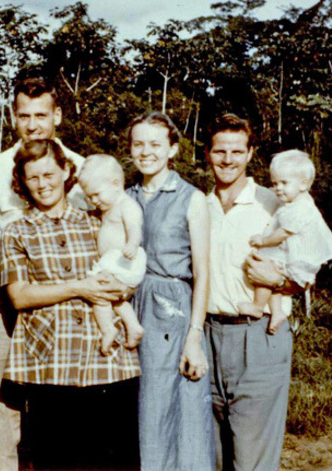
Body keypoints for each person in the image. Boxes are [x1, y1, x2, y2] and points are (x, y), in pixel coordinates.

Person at [1, 139, 141, 471]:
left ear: (66, 172)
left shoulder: (96, 220)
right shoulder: (16, 232)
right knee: (55, 461)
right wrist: (80, 287)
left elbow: (126, 274)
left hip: (107, 361)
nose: (42, 184)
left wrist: (119, 287)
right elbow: (20, 295)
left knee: (113, 462)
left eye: (49, 174)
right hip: (49, 361)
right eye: (32, 177)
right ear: (22, 180)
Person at [0, 78, 87, 471]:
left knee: (57, 403)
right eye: (24, 115)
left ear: (57, 115)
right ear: (13, 116)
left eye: (41, 115)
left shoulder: (80, 169)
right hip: (5, 298)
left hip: (65, 299)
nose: (33, 125)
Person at [204, 113, 309, 471]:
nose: (227, 159)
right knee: (213, 458)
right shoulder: (198, 206)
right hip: (207, 338)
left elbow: (308, 270)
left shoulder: (276, 203)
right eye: (220, 151)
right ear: (208, 153)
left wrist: (279, 282)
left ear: (251, 154)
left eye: (237, 151)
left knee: (252, 461)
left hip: (260, 335)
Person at [124, 112, 215, 471]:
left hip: (173, 312)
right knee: (141, 410)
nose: (145, 151)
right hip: (130, 308)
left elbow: (203, 273)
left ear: (172, 148)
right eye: (138, 143)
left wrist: (194, 336)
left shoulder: (191, 198)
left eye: (155, 144)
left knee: (176, 409)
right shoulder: (124, 196)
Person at [238, 149, 332, 334]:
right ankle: (277, 312)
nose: (278, 188)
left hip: (297, 257)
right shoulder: (298, 202)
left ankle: (257, 305)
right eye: (275, 183)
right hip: (296, 254)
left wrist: (263, 241)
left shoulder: (299, 208)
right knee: (274, 274)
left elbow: (282, 233)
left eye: (284, 183)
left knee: (262, 264)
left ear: (303, 184)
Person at [78, 154, 146, 355]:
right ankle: (133, 326)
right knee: (115, 298)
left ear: (116, 183)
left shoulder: (126, 205)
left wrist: (132, 244)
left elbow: (135, 227)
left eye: (97, 194)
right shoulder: (108, 206)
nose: (94, 201)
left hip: (124, 260)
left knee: (99, 294)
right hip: (114, 262)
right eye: (89, 197)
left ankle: (108, 329)